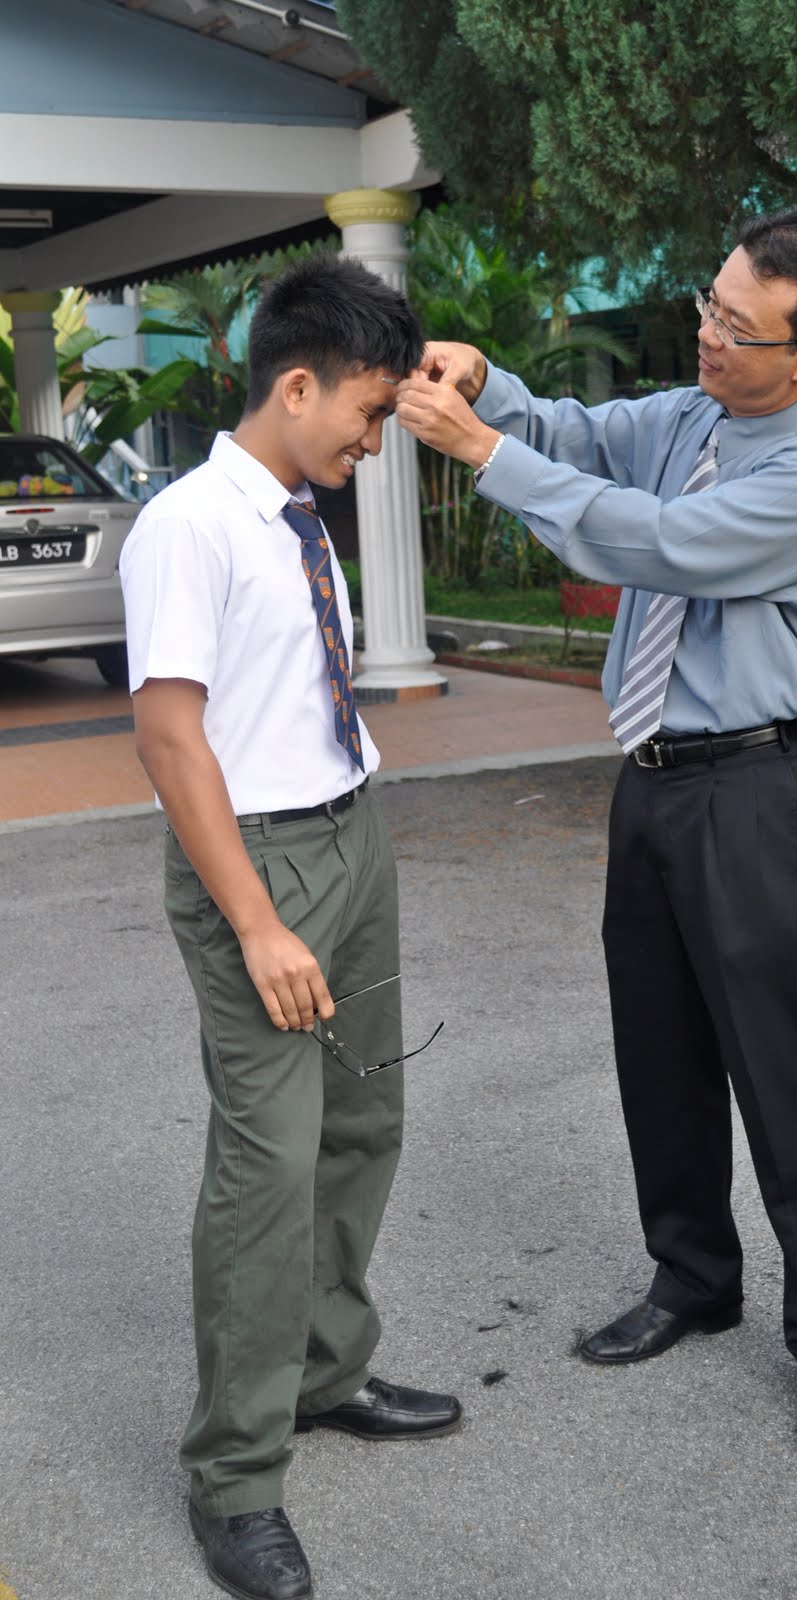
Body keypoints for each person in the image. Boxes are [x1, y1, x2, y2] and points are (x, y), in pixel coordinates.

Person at [396, 206, 797, 1460]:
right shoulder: (691, 415)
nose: (708, 336)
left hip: (753, 793)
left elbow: (657, 545)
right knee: (658, 1050)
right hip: (653, 779)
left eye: (739, 326)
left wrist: (480, 452)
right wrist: (487, 382)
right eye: (710, 305)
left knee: (787, 1077)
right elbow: (580, 432)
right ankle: (692, 1277)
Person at [120, 253, 462, 1600]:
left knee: (364, 1123)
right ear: (296, 382)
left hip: (346, 830)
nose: (374, 439)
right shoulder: (188, 524)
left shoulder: (292, 511)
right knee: (268, 1170)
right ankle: (235, 1476)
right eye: (367, 413)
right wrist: (259, 924)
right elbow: (168, 736)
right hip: (255, 866)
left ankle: (325, 1378)